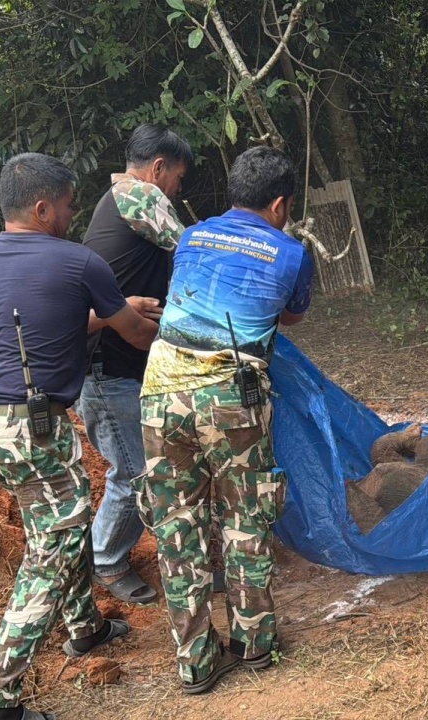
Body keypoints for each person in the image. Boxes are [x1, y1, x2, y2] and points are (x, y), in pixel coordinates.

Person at [0, 153, 159, 720]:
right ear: (43, 208)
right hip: (33, 428)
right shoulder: (80, 261)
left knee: (56, 526)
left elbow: (45, 324)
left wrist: (107, 311)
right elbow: (138, 335)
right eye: (68, 206)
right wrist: (163, 320)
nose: (73, 216)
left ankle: (85, 627)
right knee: (54, 550)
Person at [138, 145, 314, 694]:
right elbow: (290, 313)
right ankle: (254, 642)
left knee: (177, 527)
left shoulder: (191, 236)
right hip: (231, 398)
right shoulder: (291, 252)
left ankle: (194, 662)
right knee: (245, 517)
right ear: (280, 204)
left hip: (160, 394)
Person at [77, 124, 191, 605]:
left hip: (119, 364)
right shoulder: (141, 195)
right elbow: (191, 252)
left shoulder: (115, 201)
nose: (178, 190)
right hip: (110, 369)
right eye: (178, 178)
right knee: (133, 471)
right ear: (158, 168)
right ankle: (106, 559)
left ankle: (175, 553)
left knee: (150, 464)